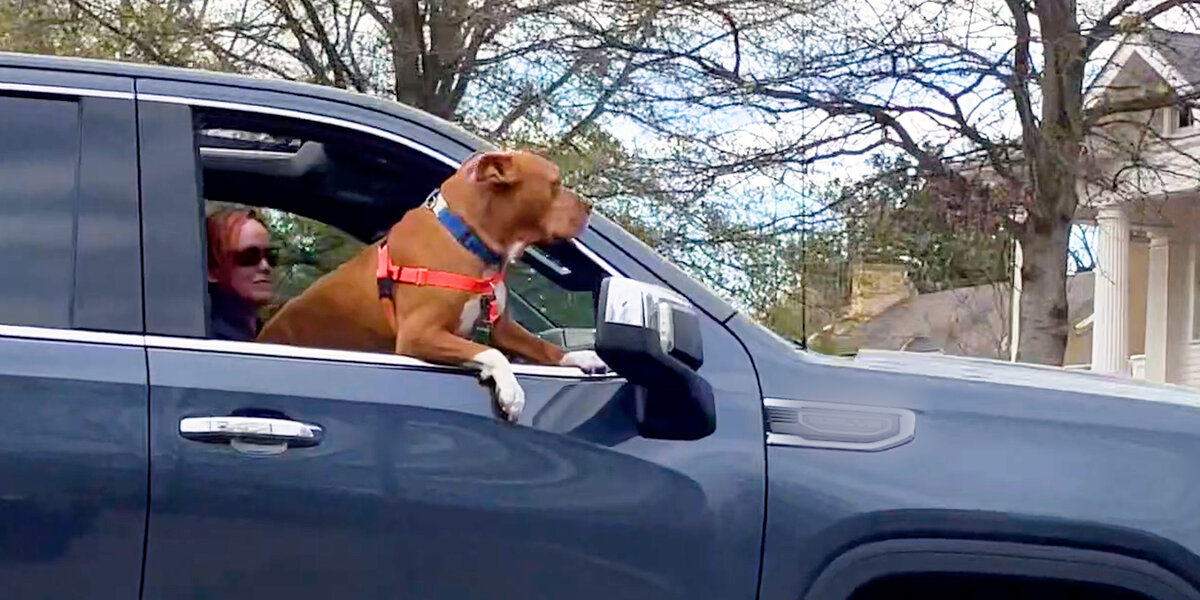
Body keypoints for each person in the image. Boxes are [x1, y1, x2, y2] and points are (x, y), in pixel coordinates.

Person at [205, 208, 276, 341]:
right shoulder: (210, 343)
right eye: (249, 256)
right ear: (213, 269)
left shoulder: (275, 333)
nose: (265, 266)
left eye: (271, 256)